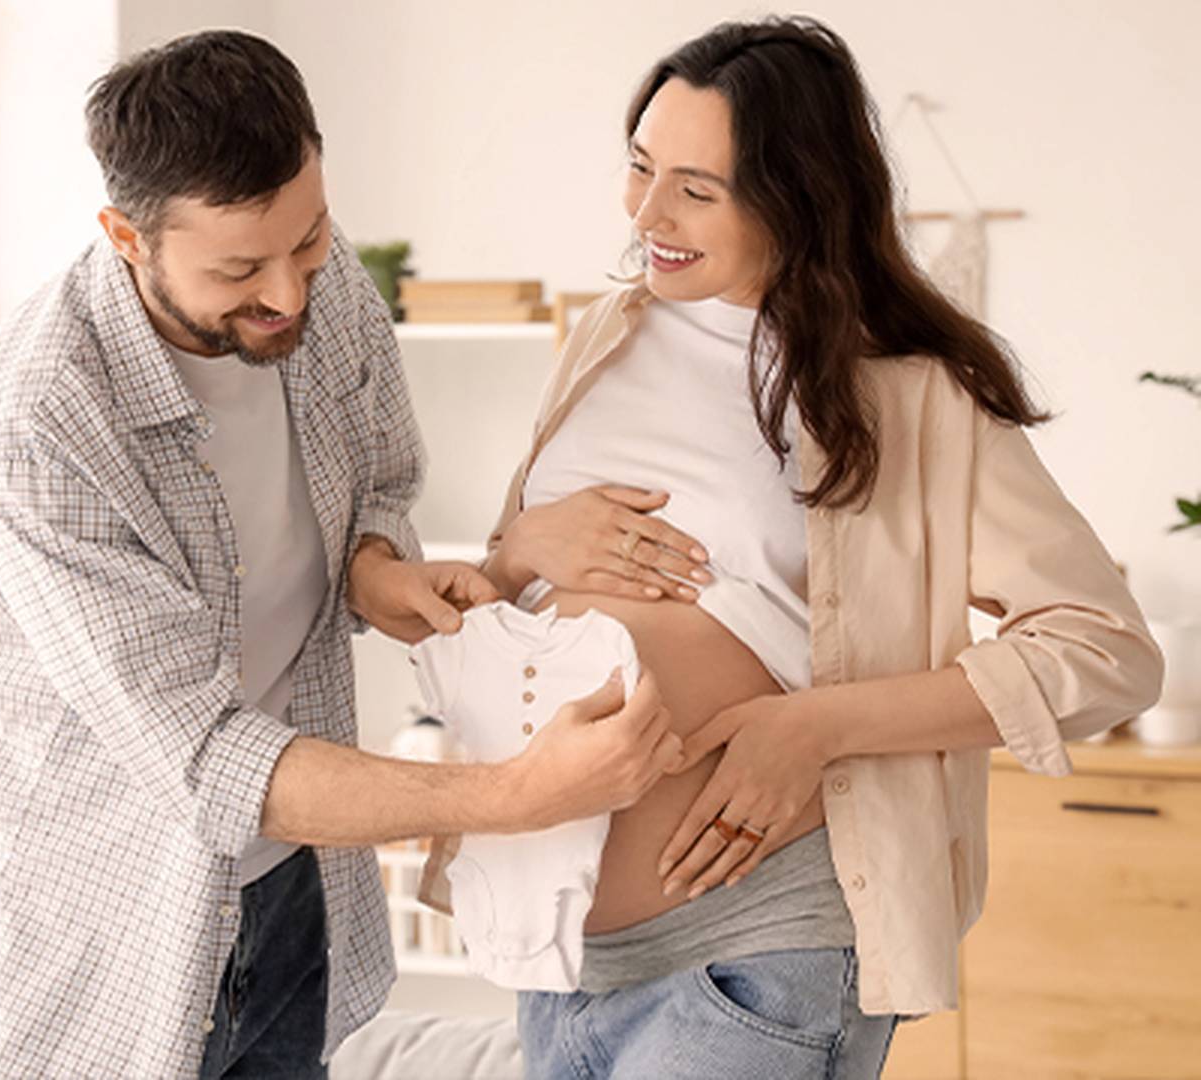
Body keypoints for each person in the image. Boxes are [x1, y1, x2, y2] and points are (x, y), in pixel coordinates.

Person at [0, 30, 681, 1080]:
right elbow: (210, 760)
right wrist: (517, 794)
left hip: (288, 895)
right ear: (125, 236)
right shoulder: (38, 425)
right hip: (95, 940)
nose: (288, 295)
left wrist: (377, 567)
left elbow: (374, 481)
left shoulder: (324, 292)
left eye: (309, 241)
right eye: (240, 268)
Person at [421, 16, 1163, 1080]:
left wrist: (816, 728)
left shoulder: (909, 393)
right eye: (639, 169)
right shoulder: (605, 335)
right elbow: (520, 581)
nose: (647, 215)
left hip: (757, 953)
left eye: (696, 189)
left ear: (795, 194)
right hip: (557, 954)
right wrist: (521, 550)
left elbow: (1106, 650)